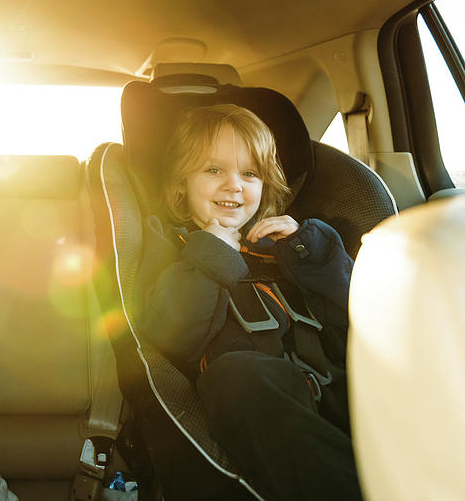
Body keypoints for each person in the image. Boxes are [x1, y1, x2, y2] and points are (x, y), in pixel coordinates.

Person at [136, 103, 361, 500]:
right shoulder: (175, 248)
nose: (234, 185)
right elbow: (172, 334)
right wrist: (211, 256)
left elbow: (357, 308)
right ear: (180, 184)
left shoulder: (289, 246)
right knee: (236, 375)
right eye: (213, 170)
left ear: (266, 186)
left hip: (337, 387)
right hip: (251, 390)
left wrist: (307, 248)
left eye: (250, 174)